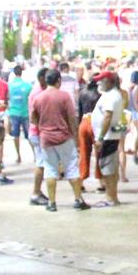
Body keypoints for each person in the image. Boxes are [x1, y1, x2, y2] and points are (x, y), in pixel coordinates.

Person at [31, 69, 88, 212]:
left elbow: (33, 119)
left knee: (50, 170)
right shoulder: (64, 97)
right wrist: (76, 137)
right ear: (58, 81)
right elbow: (72, 118)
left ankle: (52, 202)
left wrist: (43, 126)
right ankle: (78, 200)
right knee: (71, 168)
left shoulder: (38, 98)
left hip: (46, 139)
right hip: (64, 138)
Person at [91, 72, 126, 207]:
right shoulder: (110, 95)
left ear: (110, 82)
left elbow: (107, 117)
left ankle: (110, 198)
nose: (99, 83)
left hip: (107, 137)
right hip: (108, 136)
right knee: (109, 168)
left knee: (108, 168)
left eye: (102, 81)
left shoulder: (111, 96)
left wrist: (100, 137)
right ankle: (112, 197)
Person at [27, 67, 50, 206]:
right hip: (38, 133)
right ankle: (35, 193)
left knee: (42, 164)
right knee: (41, 164)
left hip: (39, 132)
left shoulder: (41, 92)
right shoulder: (38, 93)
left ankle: (38, 191)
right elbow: (34, 117)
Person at [6, 64, 33, 164]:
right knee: (29, 135)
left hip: (14, 112)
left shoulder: (9, 85)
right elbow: (31, 99)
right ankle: (35, 155)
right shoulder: (27, 86)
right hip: (25, 112)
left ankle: (18, 156)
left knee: (15, 136)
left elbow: (7, 98)